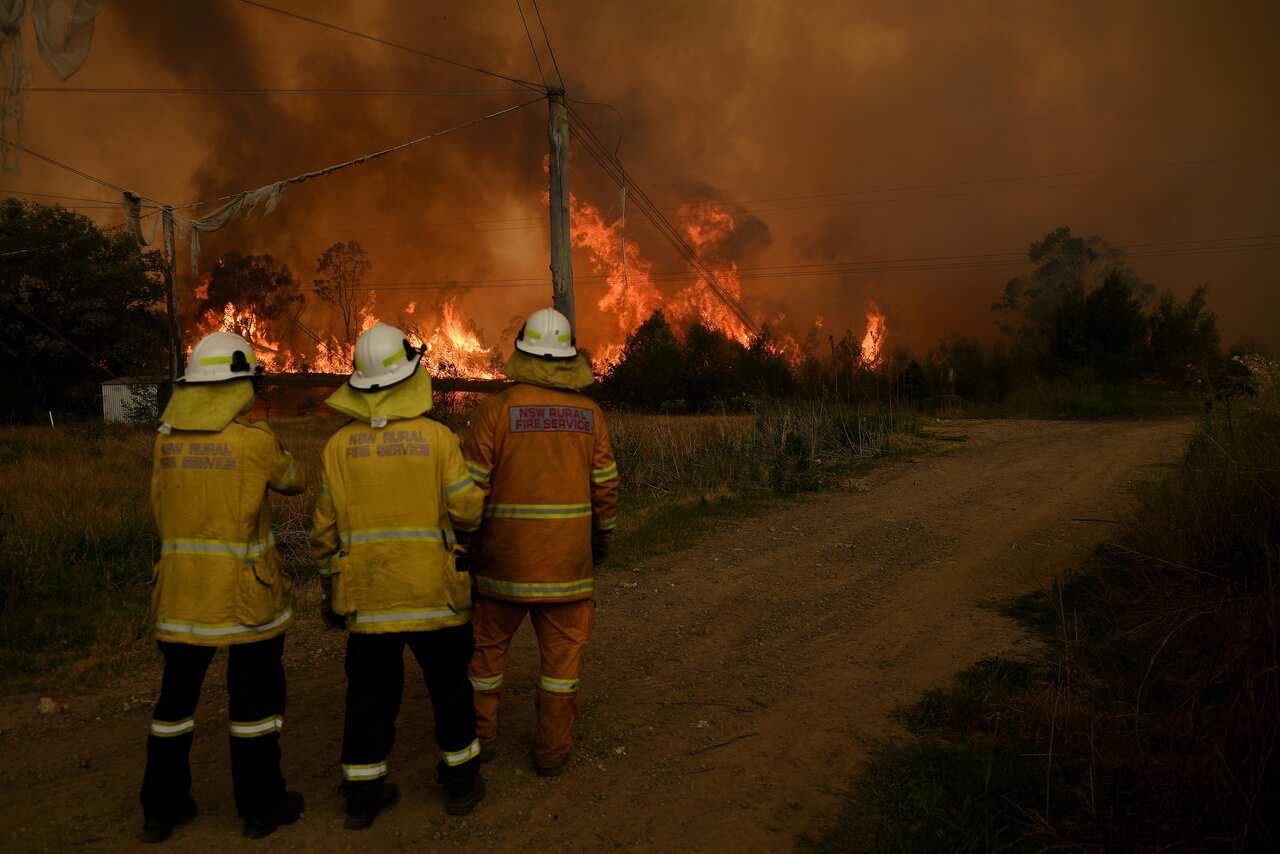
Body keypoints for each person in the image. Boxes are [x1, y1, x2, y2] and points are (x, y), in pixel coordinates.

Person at [310, 322, 487, 829]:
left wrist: (329, 581)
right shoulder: (438, 439)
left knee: (368, 700)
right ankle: (459, 786)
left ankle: (362, 800)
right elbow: (468, 511)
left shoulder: (338, 448)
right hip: (435, 596)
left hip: (369, 600)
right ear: (410, 377)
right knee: (451, 692)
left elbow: (324, 530)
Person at [141, 331, 305, 843]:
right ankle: (261, 806)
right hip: (245, 599)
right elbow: (295, 479)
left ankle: (162, 810)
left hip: (181, 595)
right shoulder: (253, 442)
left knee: (174, 706)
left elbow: (158, 505)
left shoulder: (165, 440)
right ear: (241, 386)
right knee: (254, 707)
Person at [463, 307, 619, 776]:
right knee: (560, 669)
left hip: (502, 567)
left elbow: (469, 494)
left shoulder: (495, 411)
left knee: (486, 659)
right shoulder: (591, 416)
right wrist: (602, 540)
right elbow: (606, 489)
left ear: (524, 354)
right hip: (568, 568)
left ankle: (481, 741)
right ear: (567, 358)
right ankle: (552, 753)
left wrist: (463, 547)